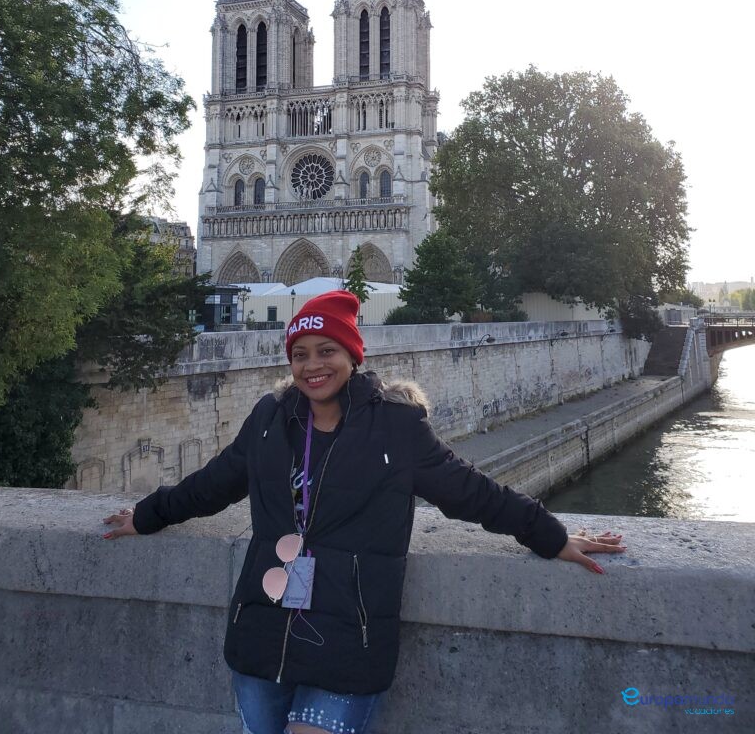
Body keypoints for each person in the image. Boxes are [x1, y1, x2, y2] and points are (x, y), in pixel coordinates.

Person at [104, 290, 625, 734]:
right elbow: (211, 485)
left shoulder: (395, 427)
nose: (313, 366)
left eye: (327, 350)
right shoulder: (269, 419)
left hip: (349, 637)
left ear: (354, 355)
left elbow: (471, 492)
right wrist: (148, 515)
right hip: (264, 630)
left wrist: (551, 536)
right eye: (300, 353)